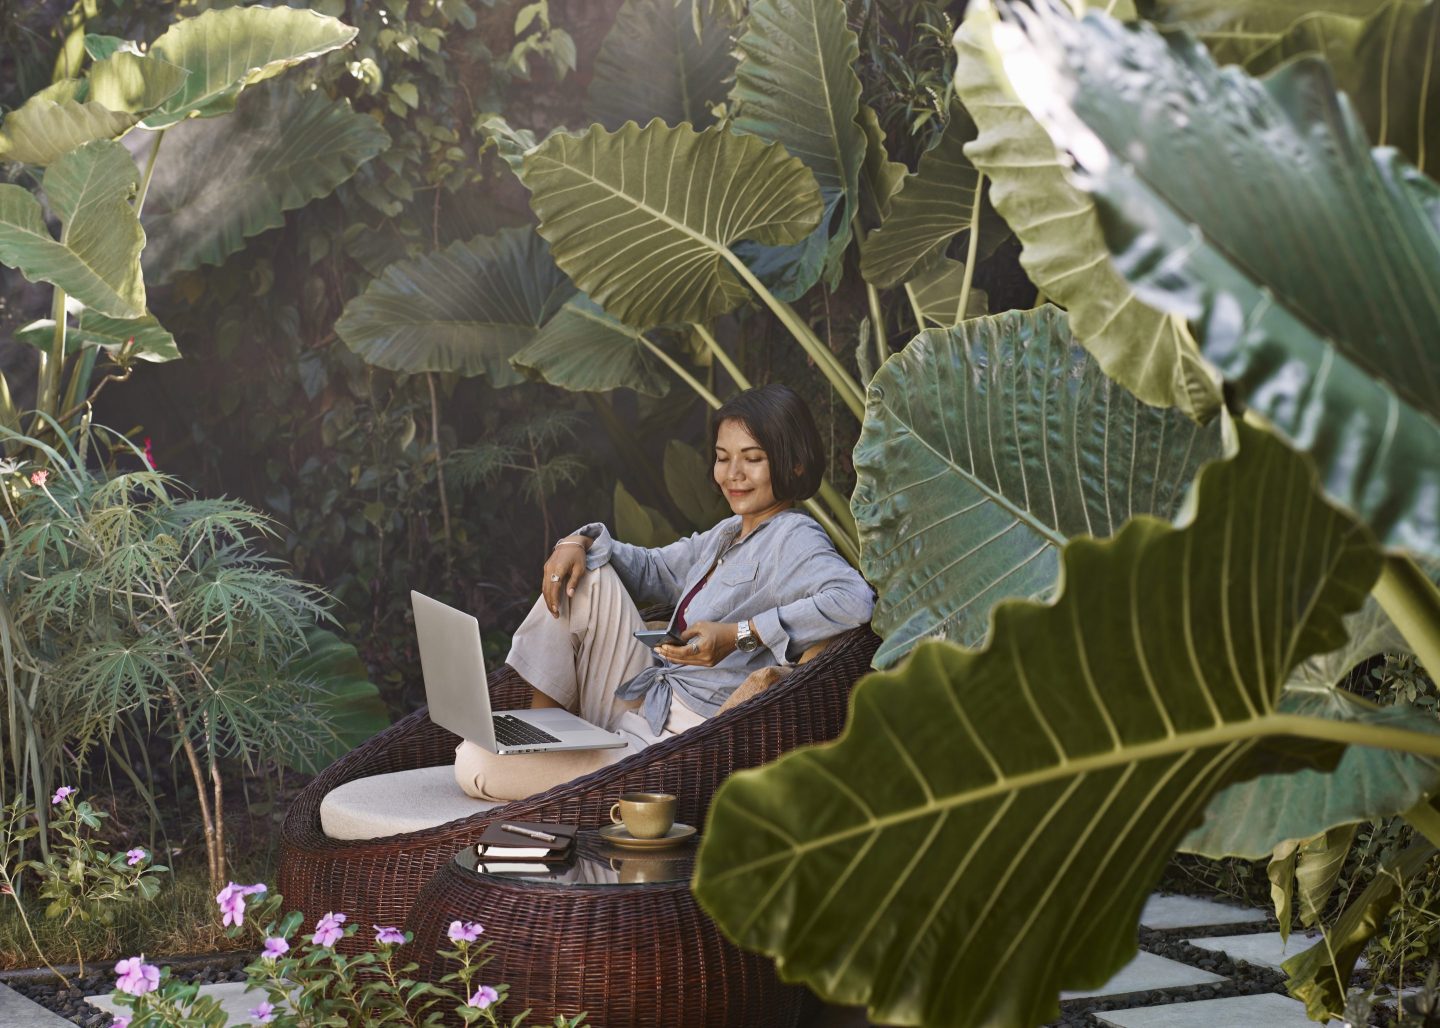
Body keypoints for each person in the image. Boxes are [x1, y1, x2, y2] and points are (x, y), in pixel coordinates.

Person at [454, 384, 875, 802]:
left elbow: (855, 599)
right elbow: (652, 568)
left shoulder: (794, 536)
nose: (733, 474)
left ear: (795, 465)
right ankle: (543, 726)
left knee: (473, 761)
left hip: (673, 745)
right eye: (723, 458)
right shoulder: (727, 534)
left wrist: (739, 635)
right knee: (585, 577)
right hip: (645, 700)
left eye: (753, 459)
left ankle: (547, 747)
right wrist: (576, 542)